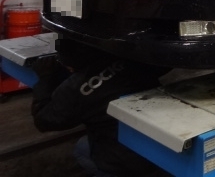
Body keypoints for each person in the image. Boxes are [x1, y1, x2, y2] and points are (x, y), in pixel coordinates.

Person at [31, 38, 170, 177]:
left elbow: (43, 121)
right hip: (163, 148)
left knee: (81, 148)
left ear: (68, 64)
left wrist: (45, 79)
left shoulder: (75, 89)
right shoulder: (130, 58)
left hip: (124, 162)